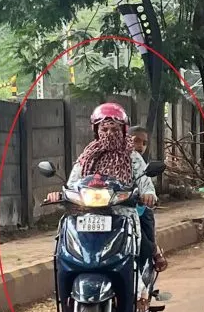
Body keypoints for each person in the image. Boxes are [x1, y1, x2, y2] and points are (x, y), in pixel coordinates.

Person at [45, 103, 158, 266]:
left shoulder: (132, 156)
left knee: (143, 248)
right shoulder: (87, 156)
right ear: (97, 131)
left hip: (122, 213)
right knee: (64, 247)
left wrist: (148, 194)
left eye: (115, 130)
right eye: (104, 130)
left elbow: (145, 183)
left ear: (123, 131)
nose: (109, 134)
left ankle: (140, 287)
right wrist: (59, 194)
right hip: (86, 214)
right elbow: (72, 185)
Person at [128, 125, 168, 272]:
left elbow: (146, 182)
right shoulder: (92, 155)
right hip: (105, 208)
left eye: (144, 143)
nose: (140, 146)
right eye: (136, 141)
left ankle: (154, 250)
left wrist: (149, 194)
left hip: (132, 206)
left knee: (145, 232)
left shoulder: (135, 158)